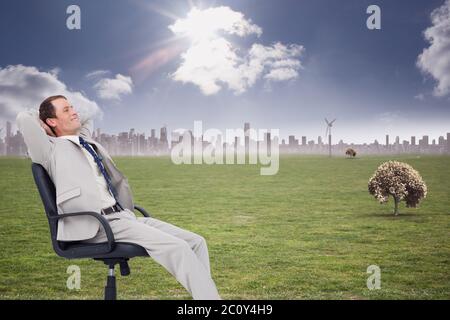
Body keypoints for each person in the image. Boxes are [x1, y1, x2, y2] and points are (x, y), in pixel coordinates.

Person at [16, 95, 221, 300]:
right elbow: (23, 118)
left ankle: (204, 297)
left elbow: (88, 117)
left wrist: (67, 109)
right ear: (51, 121)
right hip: (95, 223)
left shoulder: (84, 140)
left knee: (196, 242)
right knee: (178, 247)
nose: (74, 112)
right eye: (66, 110)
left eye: (72, 107)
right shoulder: (49, 149)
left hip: (123, 217)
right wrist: (42, 119)